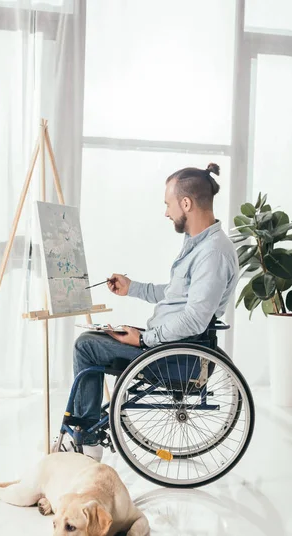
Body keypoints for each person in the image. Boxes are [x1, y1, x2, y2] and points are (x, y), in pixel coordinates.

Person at [59, 163, 239, 461]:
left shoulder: (213, 253)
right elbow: (174, 296)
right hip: (169, 347)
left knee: (86, 346)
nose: (166, 212)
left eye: (168, 204)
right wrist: (133, 288)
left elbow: (195, 318)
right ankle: (85, 433)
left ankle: (86, 439)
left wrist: (144, 340)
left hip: (178, 358)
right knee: (95, 336)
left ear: (186, 203)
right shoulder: (199, 245)